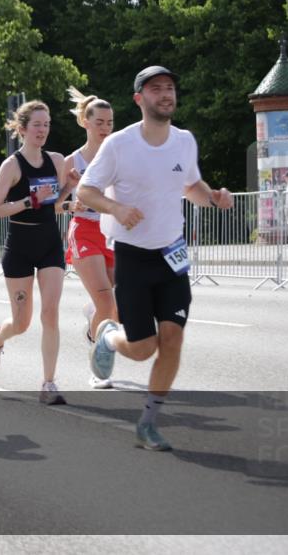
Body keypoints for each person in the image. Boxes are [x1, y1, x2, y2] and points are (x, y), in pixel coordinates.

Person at [77, 65, 233, 451]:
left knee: (173, 338)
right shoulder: (119, 145)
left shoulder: (184, 141)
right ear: (139, 99)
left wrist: (212, 197)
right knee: (143, 347)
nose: (165, 94)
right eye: (156, 89)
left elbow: (191, 186)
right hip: (132, 257)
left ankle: (148, 422)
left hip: (172, 255)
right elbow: (85, 191)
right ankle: (109, 337)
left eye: (169, 88)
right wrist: (116, 208)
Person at [0, 100, 76, 406]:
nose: (43, 130)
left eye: (46, 124)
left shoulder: (57, 161)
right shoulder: (12, 166)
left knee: (51, 313)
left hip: (49, 244)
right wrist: (27, 202)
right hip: (19, 247)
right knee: (22, 323)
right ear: (22, 129)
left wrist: (68, 190)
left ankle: (48, 383)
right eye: (37, 125)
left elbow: (55, 205)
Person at [62, 87, 117, 389]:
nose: (106, 128)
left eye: (110, 123)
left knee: (114, 307)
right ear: (86, 122)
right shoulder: (72, 161)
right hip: (84, 231)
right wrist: (72, 205)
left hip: (113, 232)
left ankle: (93, 317)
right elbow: (54, 204)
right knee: (107, 302)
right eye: (100, 123)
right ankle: (99, 367)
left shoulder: (118, 157)